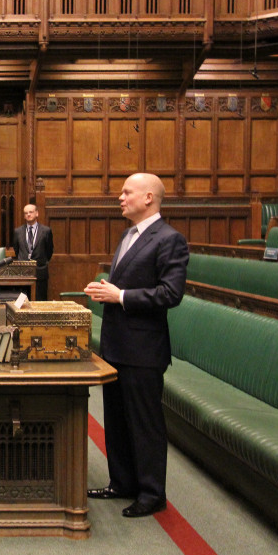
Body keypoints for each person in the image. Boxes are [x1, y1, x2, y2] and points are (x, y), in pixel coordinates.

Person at [83, 173, 188, 518]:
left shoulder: (170, 239)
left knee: (145, 424)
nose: (120, 197)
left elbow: (170, 294)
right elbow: (125, 284)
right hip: (116, 346)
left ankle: (152, 492)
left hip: (143, 350)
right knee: (116, 420)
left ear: (149, 198)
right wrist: (107, 291)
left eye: (127, 192)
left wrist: (120, 295)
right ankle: (122, 482)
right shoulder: (129, 234)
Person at [13, 203, 54, 300]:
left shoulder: (46, 231)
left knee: (40, 301)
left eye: (31, 212)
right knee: (23, 302)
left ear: (37, 214)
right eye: (26, 213)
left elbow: (49, 251)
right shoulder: (18, 231)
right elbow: (16, 249)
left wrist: (42, 262)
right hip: (23, 271)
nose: (28, 214)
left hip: (40, 270)